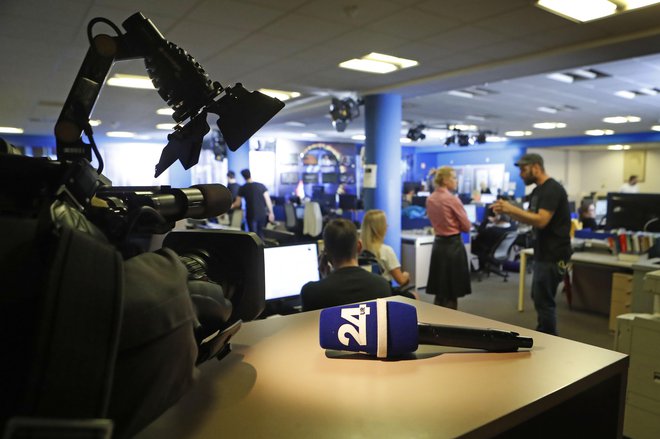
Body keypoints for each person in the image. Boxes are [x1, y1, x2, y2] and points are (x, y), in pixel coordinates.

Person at [492, 153, 571, 335]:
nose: (520, 174)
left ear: (536, 167)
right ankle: (545, 333)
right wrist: (508, 211)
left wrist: (511, 209)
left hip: (554, 253)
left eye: (523, 169)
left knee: (544, 300)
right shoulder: (537, 191)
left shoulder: (553, 189)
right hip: (542, 251)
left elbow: (541, 220)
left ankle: (549, 338)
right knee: (539, 297)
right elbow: (530, 218)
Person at [300, 218, 391, 311]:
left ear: (325, 252)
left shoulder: (311, 292)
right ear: (359, 247)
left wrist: (325, 280)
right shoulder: (382, 286)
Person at [425, 166, 472, 309]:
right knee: (452, 292)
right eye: (454, 178)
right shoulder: (452, 200)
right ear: (445, 180)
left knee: (440, 291)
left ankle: (436, 325)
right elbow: (467, 227)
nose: (456, 181)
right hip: (453, 247)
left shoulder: (430, 199)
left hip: (438, 246)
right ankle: (450, 326)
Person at [360, 209, 411, 288]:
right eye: (385, 224)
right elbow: (401, 280)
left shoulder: (358, 250)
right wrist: (406, 275)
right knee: (414, 296)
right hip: (383, 292)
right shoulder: (386, 251)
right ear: (381, 228)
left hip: (365, 291)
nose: (387, 226)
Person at [231, 168, 274, 238]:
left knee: (254, 237)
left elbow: (237, 203)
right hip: (262, 214)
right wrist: (271, 213)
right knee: (262, 234)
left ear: (243, 177)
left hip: (251, 215)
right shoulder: (261, 185)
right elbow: (268, 200)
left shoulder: (243, 188)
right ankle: (264, 248)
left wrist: (227, 207)